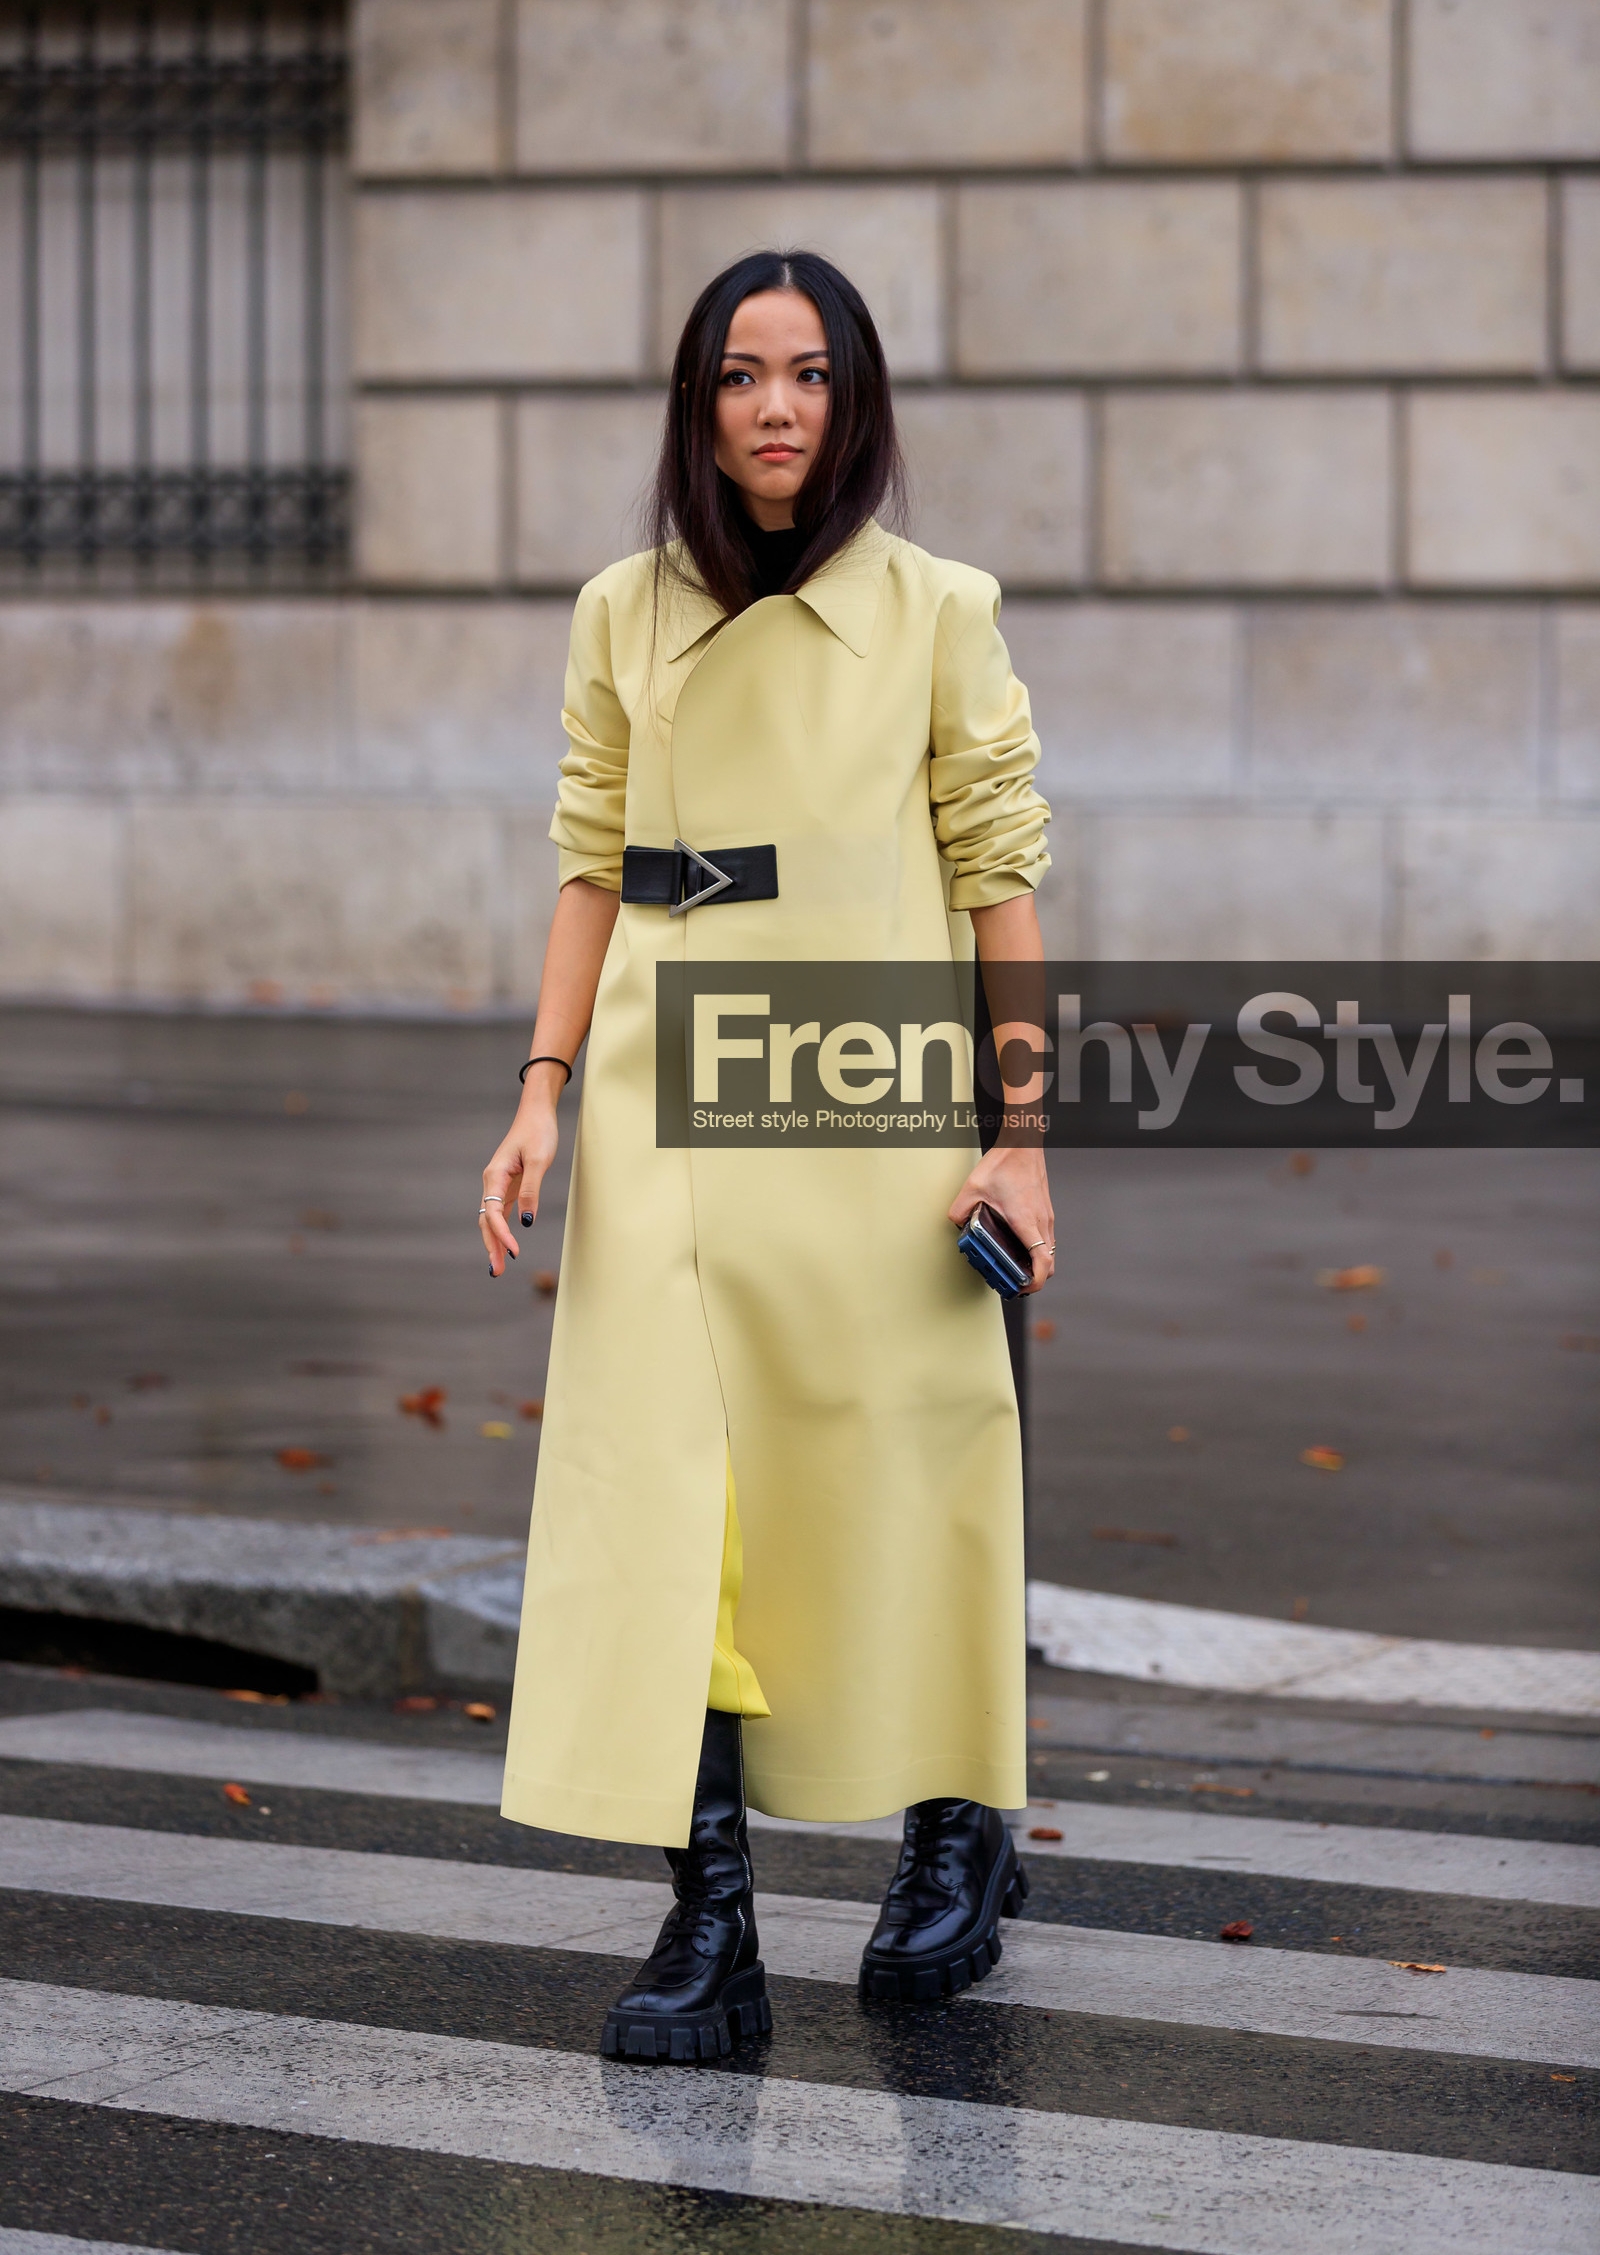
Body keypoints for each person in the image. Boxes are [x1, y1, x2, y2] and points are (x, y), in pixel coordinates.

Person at [478, 249, 1054, 2065]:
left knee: (902, 1459)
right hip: (659, 1091)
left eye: (808, 373)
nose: (776, 407)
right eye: (740, 375)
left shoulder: (939, 610)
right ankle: (708, 1918)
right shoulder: (621, 610)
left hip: (863, 1090)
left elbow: (1000, 878)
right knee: (669, 1498)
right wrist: (541, 1090)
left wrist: (1023, 1139)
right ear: (699, 404)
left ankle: (958, 1819)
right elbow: (590, 855)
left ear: (853, 398)